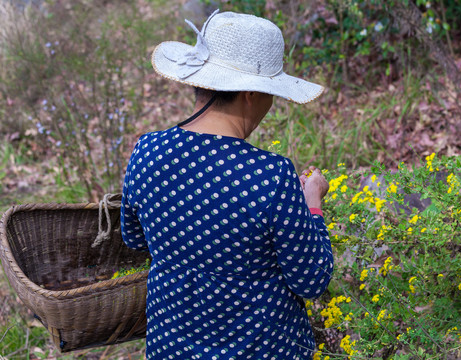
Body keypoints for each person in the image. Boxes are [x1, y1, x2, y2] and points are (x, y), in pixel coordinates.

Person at [121, 9, 334, 360]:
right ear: (250, 93)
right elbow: (311, 279)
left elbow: (134, 238)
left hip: (171, 349)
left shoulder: (146, 151)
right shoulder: (271, 175)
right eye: (271, 93)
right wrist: (311, 202)